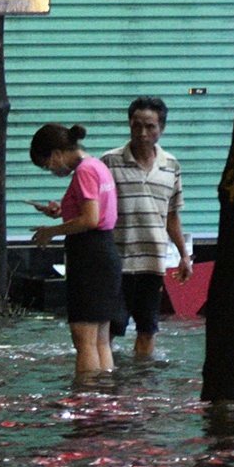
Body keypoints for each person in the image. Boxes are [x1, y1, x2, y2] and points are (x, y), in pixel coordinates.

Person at [29, 123, 121, 381]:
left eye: (48, 165)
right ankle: (103, 399)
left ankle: (87, 401)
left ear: (57, 154)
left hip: (90, 256)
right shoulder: (97, 166)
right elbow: (93, 211)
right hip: (104, 254)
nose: (52, 170)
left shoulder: (84, 172)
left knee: (84, 341)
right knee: (101, 340)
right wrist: (62, 211)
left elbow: (90, 219)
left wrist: (52, 231)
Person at [103, 95, 192, 361]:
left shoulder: (171, 166)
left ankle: (142, 382)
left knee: (147, 328)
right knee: (108, 329)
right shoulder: (109, 161)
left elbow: (172, 216)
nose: (143, 132)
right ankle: (105, 385)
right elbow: (94, 206)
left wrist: (184, 255)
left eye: (150, 126)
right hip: (116, 261)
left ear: (161, 129)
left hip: (152, 263)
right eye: (137, 125)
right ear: (129, 125)